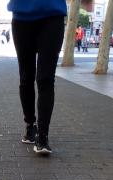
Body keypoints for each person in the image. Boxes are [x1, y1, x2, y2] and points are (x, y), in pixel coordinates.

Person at [8, 0, 67, 155]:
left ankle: (42, 137)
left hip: (52, 17)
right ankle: (30, 125)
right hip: (22, 18)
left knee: (45, 79)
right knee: (26, 77)